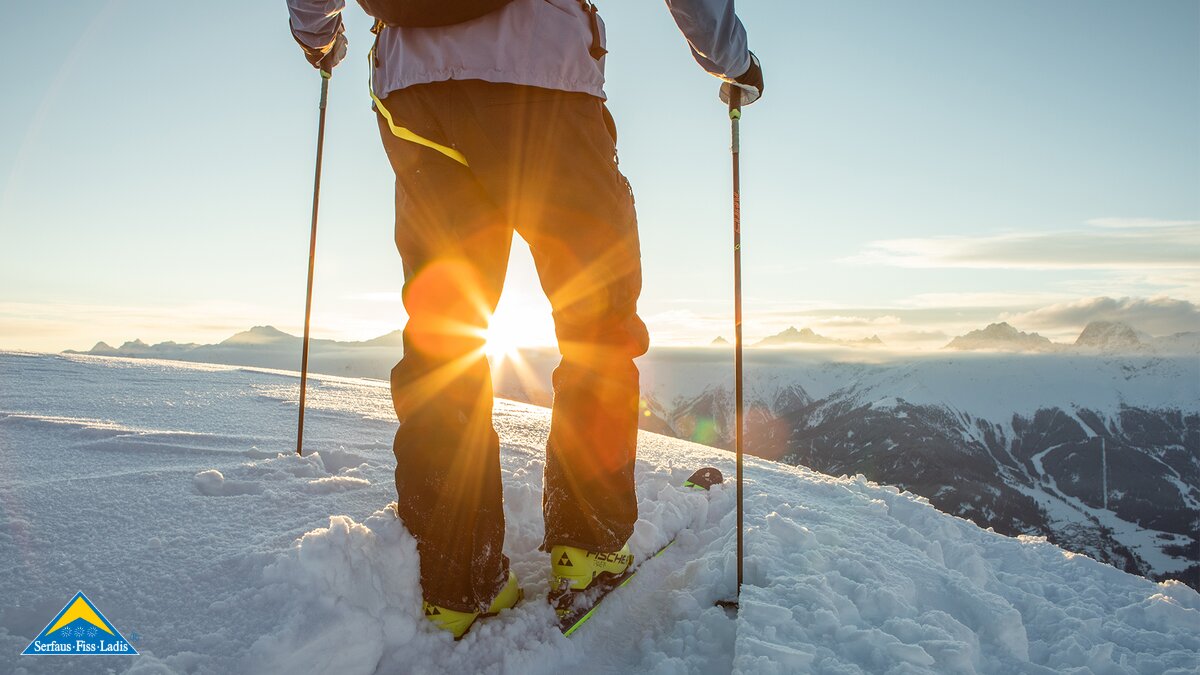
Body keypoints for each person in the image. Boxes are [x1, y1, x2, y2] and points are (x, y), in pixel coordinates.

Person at [285, 0, 763, 638]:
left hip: (416, 94)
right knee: (596, 323)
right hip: (547, 83)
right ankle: (588, 545)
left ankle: (459, 578)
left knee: (444, 329)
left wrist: (317, 33)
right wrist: (733, 62)